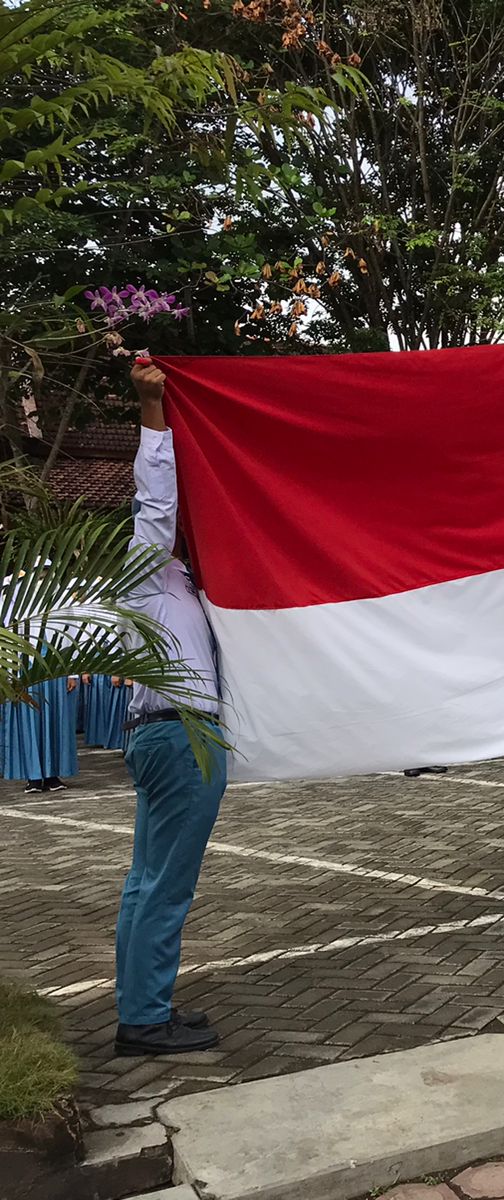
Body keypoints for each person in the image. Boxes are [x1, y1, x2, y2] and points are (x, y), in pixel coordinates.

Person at [115, 360, 227, 1056]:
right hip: (181, 739)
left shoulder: (178, 577)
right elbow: (154, 502)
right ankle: (144, 1021)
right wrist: (153, 411)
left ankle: (143, 1007)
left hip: (165, 736)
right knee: (165, 887)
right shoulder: (147, 565)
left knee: (146, 882)